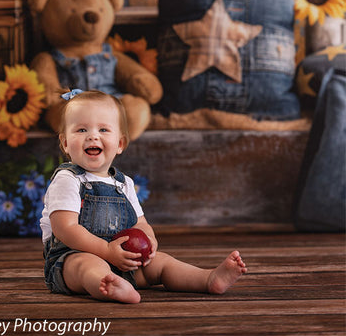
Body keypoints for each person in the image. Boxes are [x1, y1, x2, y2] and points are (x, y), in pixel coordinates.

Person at [41, 89, 247, 303]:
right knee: (86, 266)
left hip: (122, 259)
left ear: (120, 144)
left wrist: (149, 241)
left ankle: (207, 279)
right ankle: (107, 284)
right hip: (69, 260)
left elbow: (140, 223)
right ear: (65, 143)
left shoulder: (123, 183)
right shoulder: (68, 179)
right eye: (82, 129)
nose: (93, 135)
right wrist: (105, 251)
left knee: (162, 262)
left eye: (103, 129)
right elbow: (65, 228)